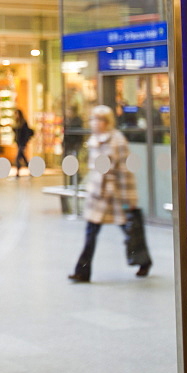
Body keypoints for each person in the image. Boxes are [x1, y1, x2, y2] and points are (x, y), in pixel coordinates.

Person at [67, 104, 151, 282]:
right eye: (93, 119)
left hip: (118, 196)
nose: (94, 123)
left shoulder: (118, 141)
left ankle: (144, 261)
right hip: (99, 195)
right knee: (91, 232)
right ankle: (82, 271)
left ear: (107, 122)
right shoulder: (94, 141)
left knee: (129, 229)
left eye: (98, 120)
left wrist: (130, 199)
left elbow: (126, 172)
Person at [12, 108, 34, 177]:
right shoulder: (16, 122)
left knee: (18, 157)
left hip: (22, 142)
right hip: (18, 142)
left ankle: (17, 172)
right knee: (23, 157)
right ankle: (30, 169)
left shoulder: (23, 123)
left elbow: (25, 133)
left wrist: (25, 141)